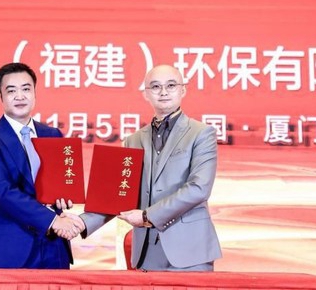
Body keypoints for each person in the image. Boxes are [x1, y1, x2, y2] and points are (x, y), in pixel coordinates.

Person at [76, 64, 222, 271]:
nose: (163, 92)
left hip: (190, 250)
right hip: (147, 251)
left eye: (171, 85)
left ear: (183, 90)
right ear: (145, 93)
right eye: (155, 86)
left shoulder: (201, 133)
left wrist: (147, 216)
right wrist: (81, 222)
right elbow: (119, 194)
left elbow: (199, 188)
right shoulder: (133, 140)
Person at [0, 62, 83, 269]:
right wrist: (52, 221)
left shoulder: (53, 135)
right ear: (0, 96)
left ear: (34, 93)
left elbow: (60, 185)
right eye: (11, 91)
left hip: (54, 247)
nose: (20, 96)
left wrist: (65, 198)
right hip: (12, 248)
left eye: (26, 89)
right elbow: (2, 191)